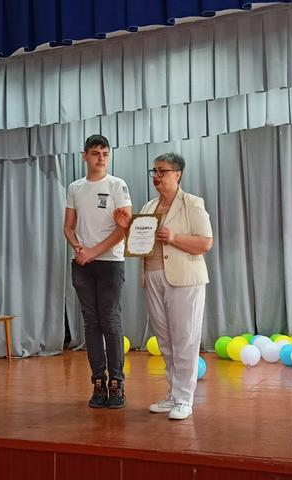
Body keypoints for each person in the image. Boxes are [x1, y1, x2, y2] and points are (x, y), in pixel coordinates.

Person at [114, 152, 213, 420]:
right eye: (154, 171)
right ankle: (173, 394)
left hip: (185, 279)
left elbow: (205, 243)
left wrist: (174, 237)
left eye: (162, 171)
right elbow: (140, 243)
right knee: (165, 340)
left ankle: (184, 399)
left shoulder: (192, 203)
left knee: (185, 339)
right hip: (153, 277)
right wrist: (126, 229)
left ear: (177, 174)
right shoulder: (148, 207)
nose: (156, 176)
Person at [64, 135, 132, 409]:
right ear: (85, 156)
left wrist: (94, 251)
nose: (101, 158)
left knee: (110, 321)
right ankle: (98, 382)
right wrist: (78, 247)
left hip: (110, 262)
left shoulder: (117, 185)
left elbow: (124, 227)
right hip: (82, 263)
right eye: (95, 153)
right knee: (91, 323)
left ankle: (116, 382)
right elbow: (68, 227)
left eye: (105, 153)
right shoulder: (75, 187)